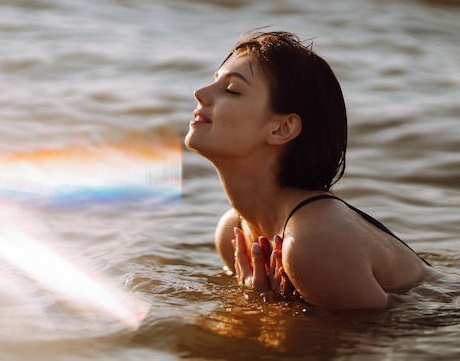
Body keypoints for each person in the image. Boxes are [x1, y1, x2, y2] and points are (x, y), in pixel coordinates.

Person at [184, 30, 434, 310]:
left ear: (281, 128)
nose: (200, 93)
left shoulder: (311, 238)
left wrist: (272, 311)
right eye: (214, 81)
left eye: (231, 89)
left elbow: (376, 344)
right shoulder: (235, 233)